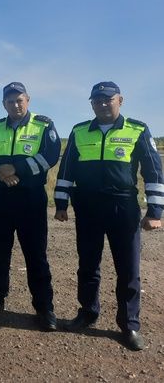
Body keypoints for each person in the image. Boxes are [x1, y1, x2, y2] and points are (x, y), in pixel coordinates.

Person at [54, 81, 163, 351]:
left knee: (128, 268)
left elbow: (153, 171)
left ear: (120, 100)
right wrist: (61, 203)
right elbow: (66, 169)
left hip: (122, 207)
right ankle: (88, 312)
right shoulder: (80, 131)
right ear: (91, 103)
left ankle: (130, 325)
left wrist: (155, 211)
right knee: (88, 264)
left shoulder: (137, 129)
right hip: (88, 207)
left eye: (107, 99)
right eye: (97, 100)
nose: (102, 104)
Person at [0, 82, 61, 331]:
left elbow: (51, 155)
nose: (15, 105)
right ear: (4, 104)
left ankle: (44, 308)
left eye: (19, 100)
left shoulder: (43, 125)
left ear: (28, 99)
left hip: (30, 200)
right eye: (10, 101)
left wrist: (18, 169)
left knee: (36, 256)